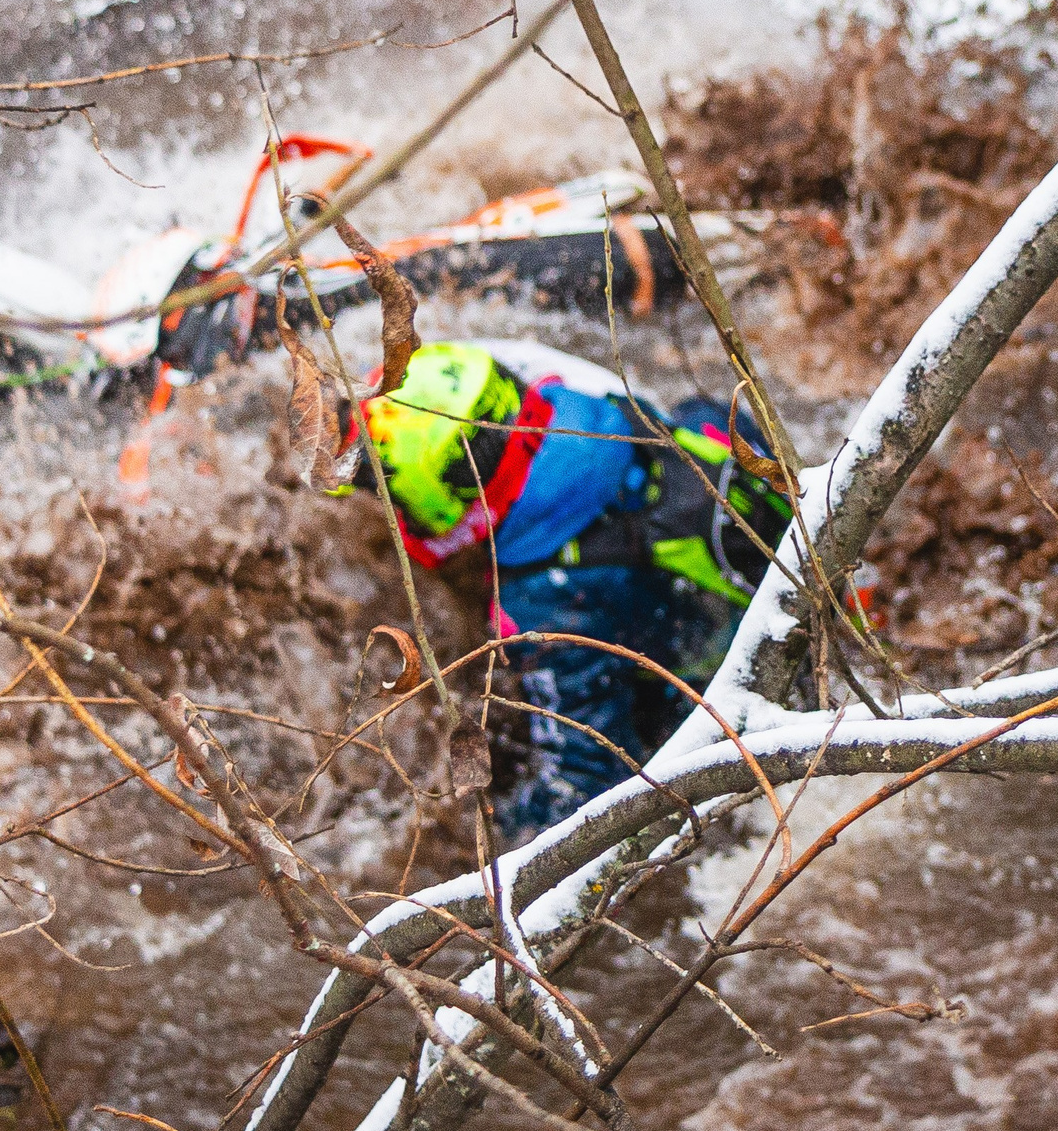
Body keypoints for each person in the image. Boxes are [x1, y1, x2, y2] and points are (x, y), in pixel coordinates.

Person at [339, 341, 793, 839]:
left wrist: (482, 839)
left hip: (732, 714)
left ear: (442, 500)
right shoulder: (628, 414)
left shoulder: (539, 605)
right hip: (789, 608)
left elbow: (589, 785)